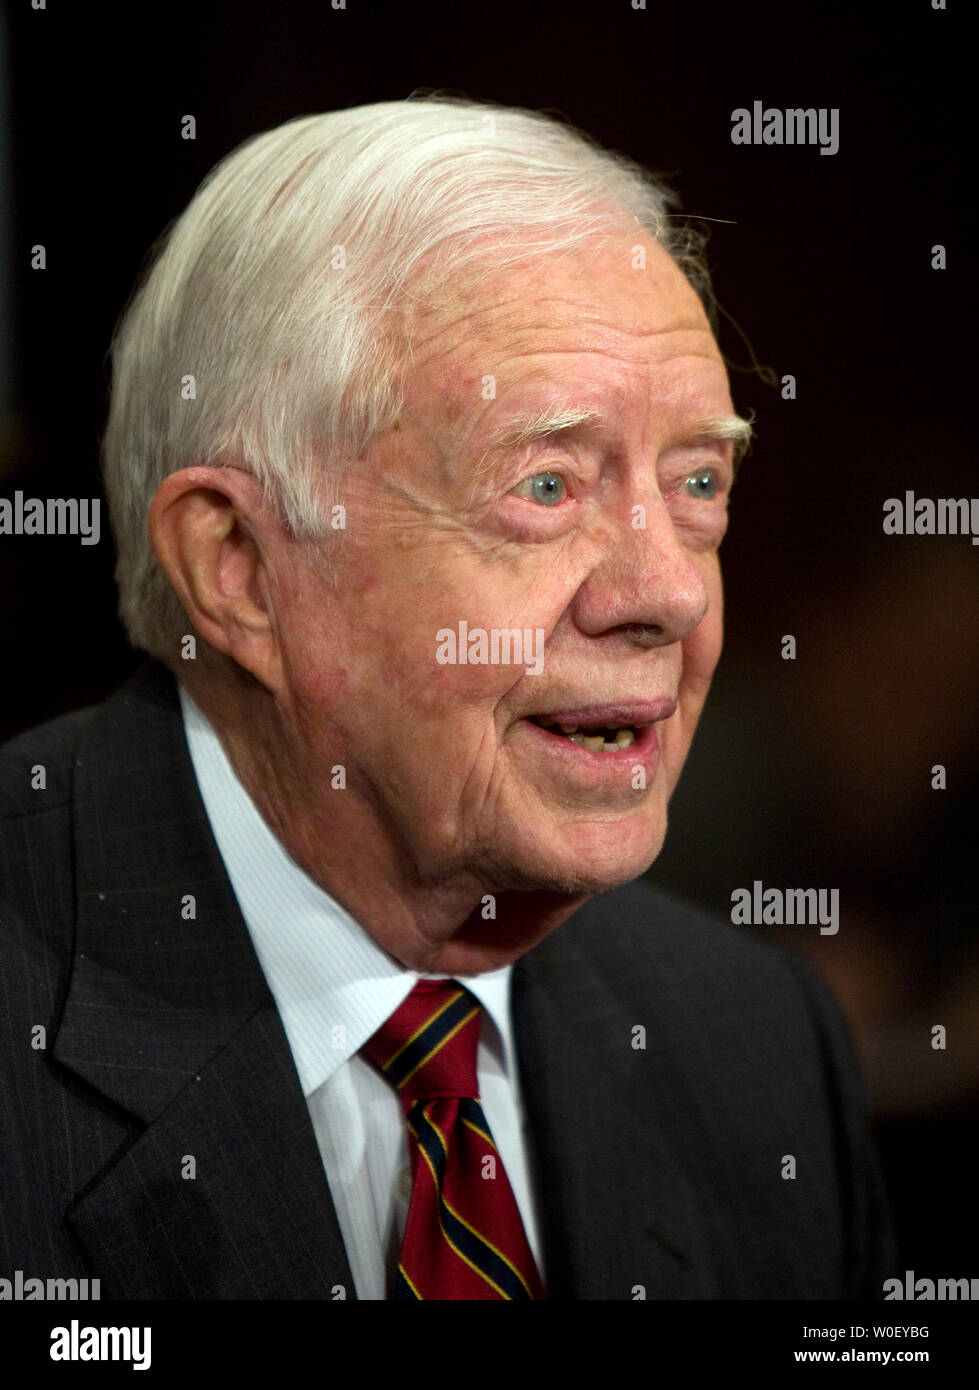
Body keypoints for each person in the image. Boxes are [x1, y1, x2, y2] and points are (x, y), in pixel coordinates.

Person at [0, 97, 894, 1300]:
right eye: (544, 484)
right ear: (242, 570)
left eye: (697, 480)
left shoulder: (751, 1043)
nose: (668, 592)